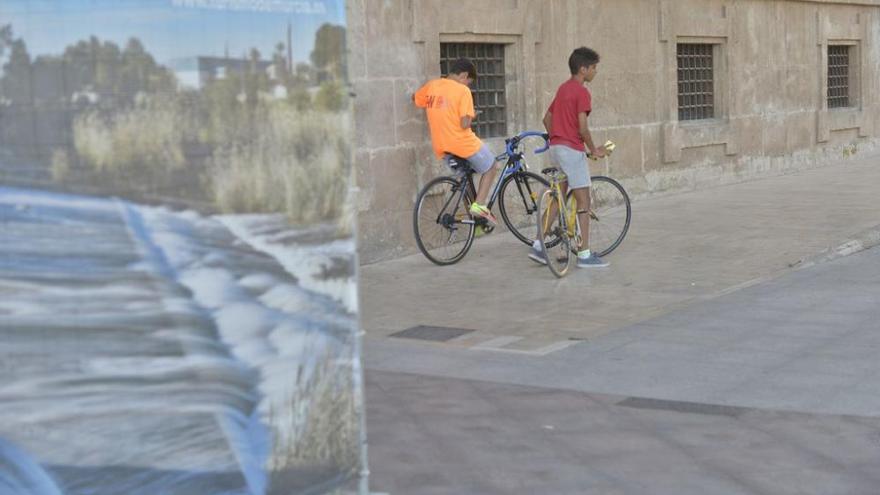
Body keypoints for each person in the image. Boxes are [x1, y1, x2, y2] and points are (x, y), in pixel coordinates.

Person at [529, 47, 609, 268]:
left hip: (556, 148)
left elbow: (547, 119)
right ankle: (584, 254)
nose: (595, 72)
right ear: (583, 69)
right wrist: (593, 149)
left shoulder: (563, 89)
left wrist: (557, 137)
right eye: (593, 68)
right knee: (584, 201)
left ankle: (538, 245)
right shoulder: (581, 92)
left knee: (558, 198)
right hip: (571, 150)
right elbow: (583, 127)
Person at [413, 58, 498, 225]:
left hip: (442, 146)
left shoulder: (432, 86)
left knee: (464, 180)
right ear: (464, 75)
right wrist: (472, 114)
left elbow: (415, 98)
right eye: (469, 82)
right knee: (491, 166)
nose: (468, 86)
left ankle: (476, 223)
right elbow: (464, 123)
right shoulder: (462, 91)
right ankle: (479, 206)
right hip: (463, 143)